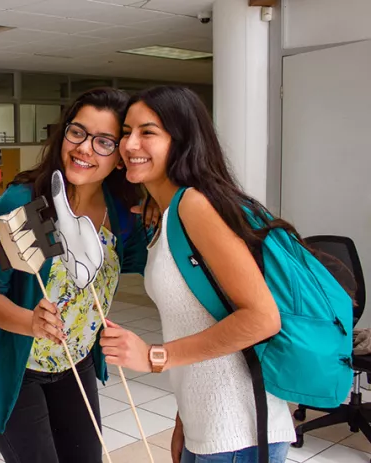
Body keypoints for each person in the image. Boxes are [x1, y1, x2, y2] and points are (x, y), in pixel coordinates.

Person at [0, 88, 152, 463]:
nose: (84, 148)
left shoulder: (121, 209)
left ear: (121, 155)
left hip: (76, 362)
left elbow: (149, 264)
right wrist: (30, 321)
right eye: (77, 132)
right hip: (17, 368)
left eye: (104, 142)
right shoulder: (28, 203)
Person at [102, 85, 295, 463]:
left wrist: (154, 356)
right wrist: (185, 418)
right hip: (208, 425)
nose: (130, 144)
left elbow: (262, 318)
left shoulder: (196, 204)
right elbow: (199, 320)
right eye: (126, 132)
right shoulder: (170, 211)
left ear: (182, 141)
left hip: (239, 433)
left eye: (148, 132)